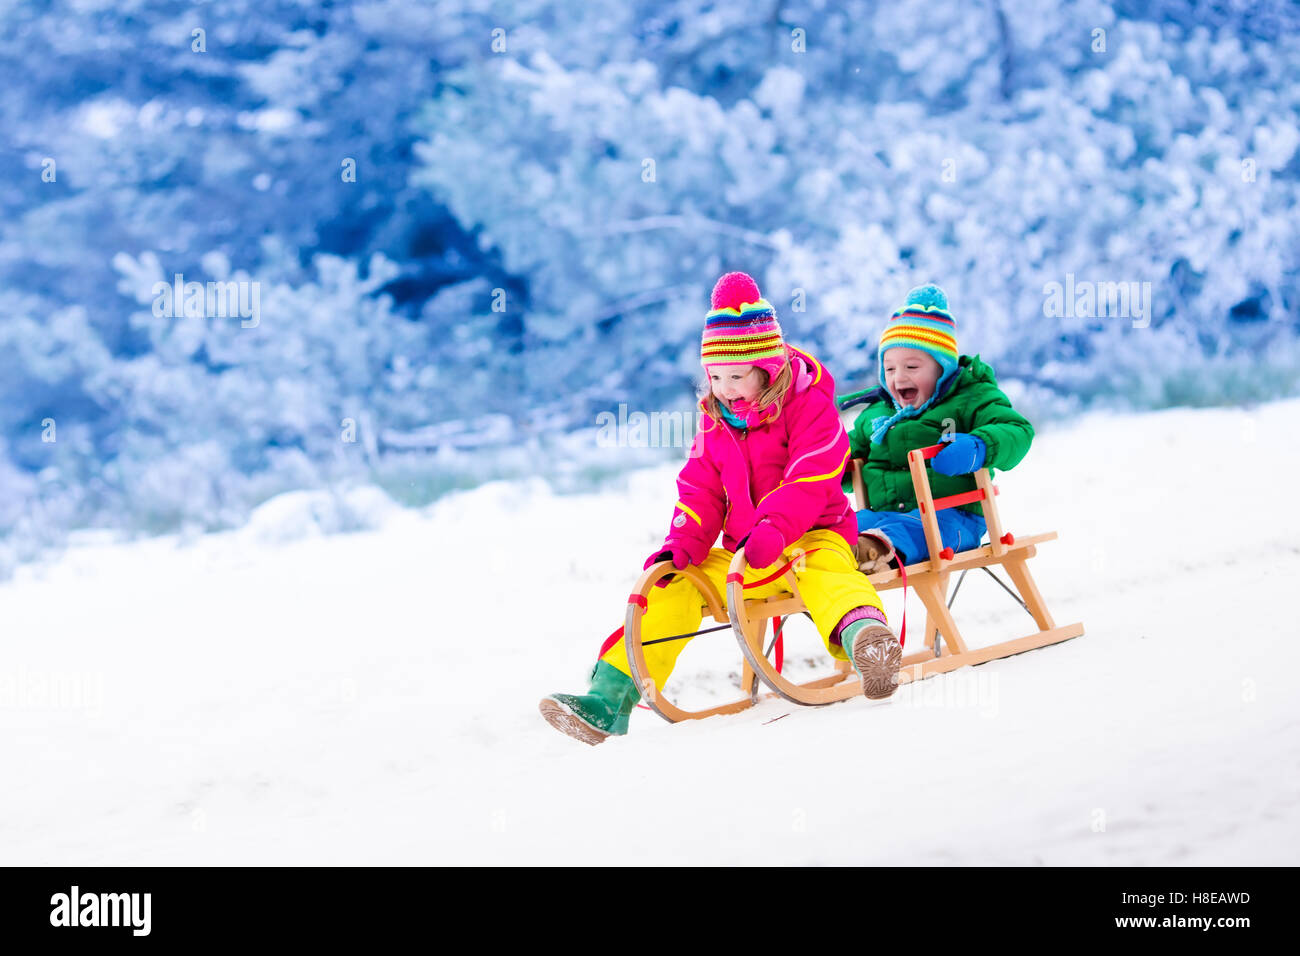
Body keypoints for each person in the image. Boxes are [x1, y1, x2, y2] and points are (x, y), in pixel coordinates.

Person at [540, 272, 901, 745]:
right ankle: (610, 698)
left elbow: (812, 476)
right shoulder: (716, 422)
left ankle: (868, 643)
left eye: (736, 377)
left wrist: (775, 527)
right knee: (673, 588)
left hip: (812, 533)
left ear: (768, 370)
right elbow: (700, 489)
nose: (724, 388)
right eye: (715, 376)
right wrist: (683, 543)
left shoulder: (810, 407)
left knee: (826, 574)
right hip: (743, 553)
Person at [846, 284, 1034, 573]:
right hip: (880, 516)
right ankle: (833, 554)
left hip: (955, 517)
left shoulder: (971, 397)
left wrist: (978, 446)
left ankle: (875, 551)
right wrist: (822, 468)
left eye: (911, 367)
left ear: (942, 368)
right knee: (844, 527)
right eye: (890, 368)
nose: (898, 378)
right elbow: (844, 456)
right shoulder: (876, 415)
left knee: (917, 528)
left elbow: (1017, 429)